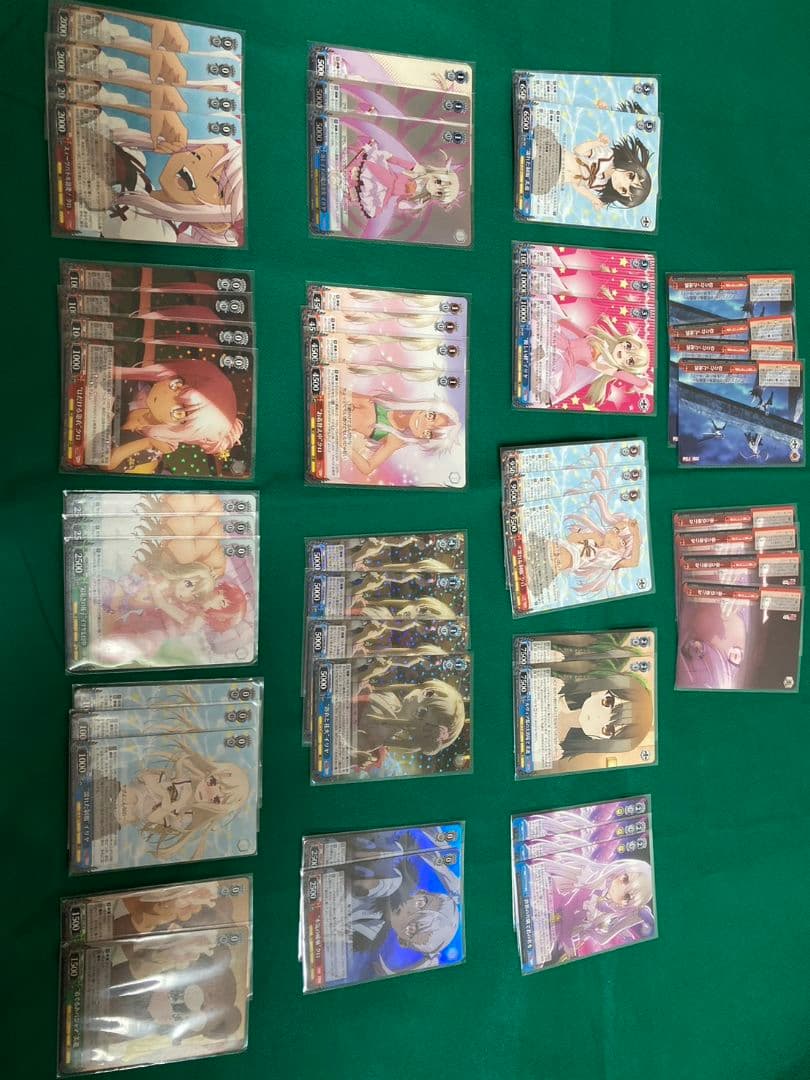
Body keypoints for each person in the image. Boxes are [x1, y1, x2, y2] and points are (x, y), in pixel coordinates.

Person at [106, 358, 244, 472]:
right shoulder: (136, 382)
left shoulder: (157, 446)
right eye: (178, 385)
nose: (169, 396)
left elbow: (107, 462)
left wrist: (148, 441)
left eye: (180, 412)